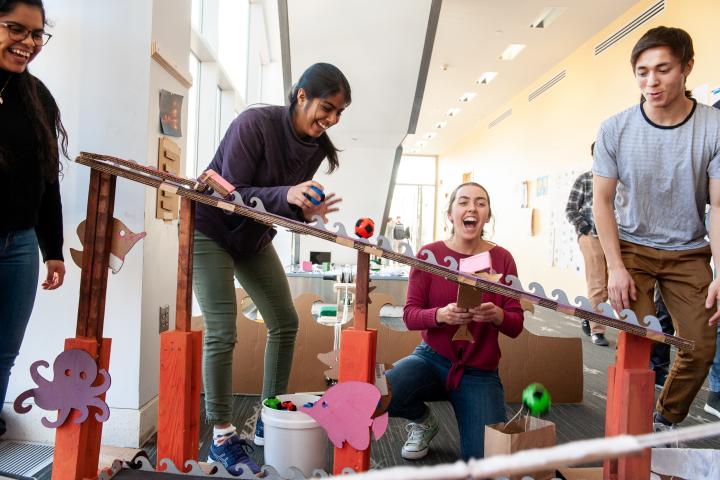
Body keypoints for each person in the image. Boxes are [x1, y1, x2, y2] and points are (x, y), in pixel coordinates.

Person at [192, 63, 350, 474]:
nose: (331, 120)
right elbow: (233, 193)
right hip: (210, 227)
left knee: (285, 321)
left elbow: (281, 208)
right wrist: (288, 194)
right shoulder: (254, 123)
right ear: (301, 95)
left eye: (339, 114)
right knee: (223, 331)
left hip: (252, 237)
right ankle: (222, 436)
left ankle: (268, 415)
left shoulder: (315, 148)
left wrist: (307, 213)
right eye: (327, 108)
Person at [592, 26, 720, 432]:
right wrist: (614, 267)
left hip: (689, 250)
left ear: (687, 68)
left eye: (663, 69)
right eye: (642, 71)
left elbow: (718, 205)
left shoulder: (713, 127)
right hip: (632, 247)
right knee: (639, 338)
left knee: (700, 347)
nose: (652, 81)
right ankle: (626, 426)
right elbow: (602, 202)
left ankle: (665, 418)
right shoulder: (615, 128)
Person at [385, 182, 524, 461]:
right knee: (381, 394)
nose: (472, 207)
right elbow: (410, 315)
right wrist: (440, 315)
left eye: (480, 202)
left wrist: (497, 316)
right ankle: (424, 421)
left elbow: (516, 324)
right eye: (463, 202)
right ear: (450, 214)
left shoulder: (502, 258)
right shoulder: (429, 255)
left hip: (479, 373)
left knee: (484, 464)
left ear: (487, 215)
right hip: (430, 359)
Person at [0, 0, 67, 438]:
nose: (28, 42)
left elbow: (48, 179)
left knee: (4, 353)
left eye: (37, 34)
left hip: (21, 245)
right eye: (15, 29)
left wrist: (54, 250)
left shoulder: (36, 96)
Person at [565, 143, 609, 347]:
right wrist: (585, 228)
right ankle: (597, 330)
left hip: (616, 238)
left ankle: (587, 315)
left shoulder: (619, 180)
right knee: (598, 285)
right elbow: (570, 209)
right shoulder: (584, 179)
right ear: (593, 155)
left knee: (611, 288)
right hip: (591, 236)